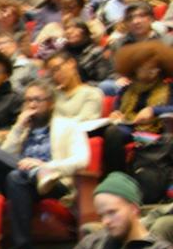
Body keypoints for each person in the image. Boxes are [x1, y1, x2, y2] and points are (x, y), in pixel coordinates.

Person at [0, 80, 90, 249]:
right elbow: (3, 157)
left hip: (54, 184)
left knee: (15, 177)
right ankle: (34, 174)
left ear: (51, 102)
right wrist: (18, 127)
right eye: (28, 100)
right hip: (22, 183)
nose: (32, 105)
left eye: (38, 100)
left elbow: (81, 160)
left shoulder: (69, 126)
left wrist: (47, 167)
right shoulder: (23, 129)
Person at [102, 41, 173, 176]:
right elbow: (117, 109)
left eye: (156, 68)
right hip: (129, 128)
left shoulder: (169, 89)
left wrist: (153, 110)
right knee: (111, 132)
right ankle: (116, 176)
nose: (153, 72)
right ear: (135, 69)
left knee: (114, 133)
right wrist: (116, 114)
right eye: (147, 68)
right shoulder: (126, 90)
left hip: (157, 133)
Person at [67, 172, 173, 249]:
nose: (105, 221)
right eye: (101, 215)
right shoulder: (90, 243)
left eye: (112, 212)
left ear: (134, 209)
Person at [46, 50, 103, 122]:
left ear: (71, 63)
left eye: (57, 68)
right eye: (52, 73)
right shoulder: (54, 95)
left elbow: (85, 122)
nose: (56, 75)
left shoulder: (92, 93)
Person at [61, 18, 113, 90]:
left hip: (92, 89)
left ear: (85, 32)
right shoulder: (61, 54)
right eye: (67, 29)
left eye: (75, 28)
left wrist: (83, 85)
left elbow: (102, 79)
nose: (69, 31)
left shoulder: (96, 52)